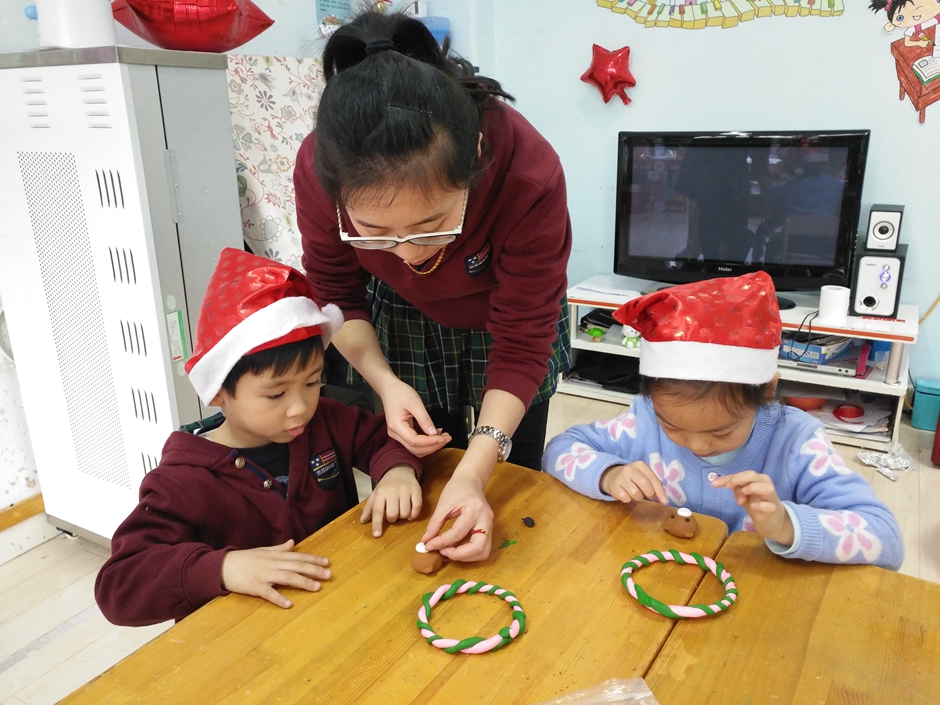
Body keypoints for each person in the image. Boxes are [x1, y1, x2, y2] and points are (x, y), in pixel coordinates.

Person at [294, 10, 572, 562]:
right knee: (423, 450)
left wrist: (475, 472)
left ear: (474, 159)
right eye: (374, 233)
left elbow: (522, 340)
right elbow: (336, 293)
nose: (408, 253)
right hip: (398, 315)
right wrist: (385, 384)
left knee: (513, 470)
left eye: (431, 225)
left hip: (508, 315)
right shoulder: (321, 168)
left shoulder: (526, 172)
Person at [95, 249, 426, 627]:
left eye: (313, 383)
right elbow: (118, 586)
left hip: (338, 613)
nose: (299, 408)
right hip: (247, 644)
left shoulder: (325, 421)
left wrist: (397, 471)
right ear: (218, 392)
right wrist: (223, 568)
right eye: (276, 394)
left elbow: (387, 438)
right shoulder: (182, 482)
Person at [541, 272, 903, 570]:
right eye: (673, 428)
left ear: (766, 391)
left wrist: (787, 524)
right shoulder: (645, 420)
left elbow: (885, 538)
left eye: (722, 431)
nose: (698, 446)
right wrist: (609, 474)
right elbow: (559, 448)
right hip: (662, 577)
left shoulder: (796, 441)